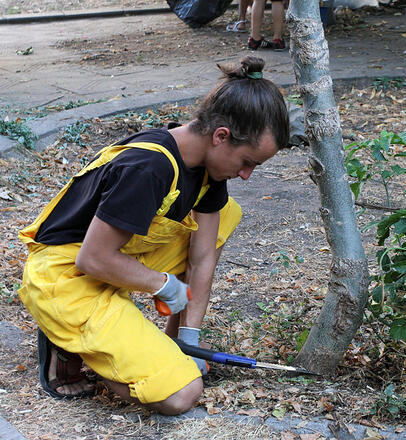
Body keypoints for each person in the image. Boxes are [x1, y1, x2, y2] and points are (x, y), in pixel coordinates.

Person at [17, 56, 290, 415]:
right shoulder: (150, 168)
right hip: (65, 274)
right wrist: (164, 285)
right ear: (221, 136)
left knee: (223, 216)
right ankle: (69, 343)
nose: (247, 175)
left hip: (111, 260)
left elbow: (204, 255)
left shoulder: (208, 169)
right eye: (247, 162)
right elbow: (93, 258)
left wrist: (188, 340)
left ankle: (167, 348)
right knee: (180, 395)